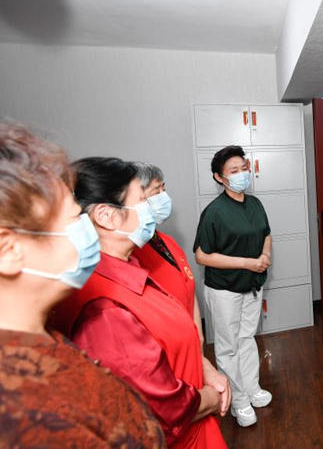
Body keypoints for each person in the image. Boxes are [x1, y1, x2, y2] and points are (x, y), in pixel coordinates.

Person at [0, 123, 165, 448]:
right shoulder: (28, 417)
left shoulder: (43, 343)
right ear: (9, 251)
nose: (89, 229)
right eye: (76, 217)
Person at [52, 157, 227, 448]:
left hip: (198, 428)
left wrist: (204, 366)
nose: (151, 208)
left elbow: (172, 342)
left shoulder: (128, 268)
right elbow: (164, 412)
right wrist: (212, 394)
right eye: (143, 200)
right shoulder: (103, 312)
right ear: (107, 216)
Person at [132, 163, 231, 400]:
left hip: (191, 352)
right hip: (166, 363)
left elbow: (188, 288)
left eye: (163, 188)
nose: (164, 197)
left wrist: (199, 344)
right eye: (156, 191)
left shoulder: (167, 242)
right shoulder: (132, 253)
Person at [193, 145, 273, 428]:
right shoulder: (214, 212)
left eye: (244, 168)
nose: (241, 174)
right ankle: (238, 399)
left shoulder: (255, 203)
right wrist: (246, 263)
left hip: (252, 285)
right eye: (233, 171)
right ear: (220, 177)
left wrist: (264, 257)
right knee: (227, 347)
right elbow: (202, 255)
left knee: (247, 339)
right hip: (224, 288)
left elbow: (266, 234)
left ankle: (252, 388)